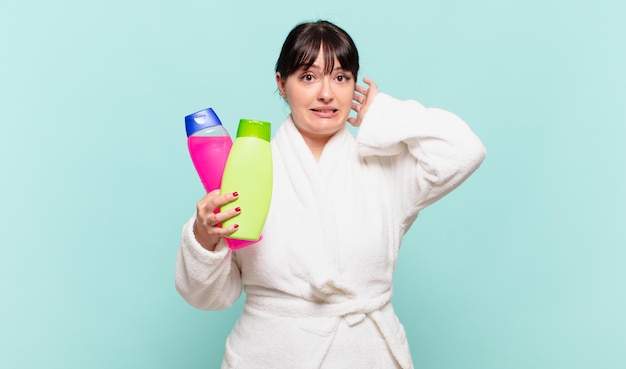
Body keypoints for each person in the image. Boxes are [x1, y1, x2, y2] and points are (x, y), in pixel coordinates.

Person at [175, 20, 486, 369]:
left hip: (366, 353)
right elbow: (207, 296)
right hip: (269, 354)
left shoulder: (386, 169)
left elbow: (464, 150)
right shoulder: (247, 167)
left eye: (341, 77)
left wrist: (384, 114)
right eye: (308, 77)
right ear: (281, 83)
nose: (326, 93)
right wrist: (204, 238)